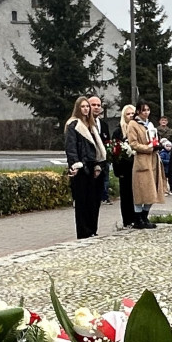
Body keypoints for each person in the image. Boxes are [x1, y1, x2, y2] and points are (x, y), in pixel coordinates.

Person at [63, 96, 108, 239]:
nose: (86, 109)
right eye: (83, 106)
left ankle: (92, 229)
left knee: (93, 200)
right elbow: (71, 147)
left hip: (93, 164)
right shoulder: (73, 125)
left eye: (87, 106)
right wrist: (74, 164)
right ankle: (83, 231)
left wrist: (98, 165)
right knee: (82, 201)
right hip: (81, 166)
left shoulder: (91, 125)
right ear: (78, 108)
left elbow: (96, 148)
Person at [126, 100, 166, 229]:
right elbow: (133, 144)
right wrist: (148, 147)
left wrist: (158, 144)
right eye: (144, 110)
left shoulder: (149, 124)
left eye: (148, 110)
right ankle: (138, 219)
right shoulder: (133, 124)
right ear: (138, 111)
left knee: (153, 190)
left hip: (153, 159)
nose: (146, 113)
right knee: (141, 191)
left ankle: (144, 216)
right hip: (142, 160)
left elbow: (153, 138)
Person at [112, 105, 137, 228]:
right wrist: (118, 170)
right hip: (124, 168)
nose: (131, 116)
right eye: (128, 114)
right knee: (126, 194)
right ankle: (127, 220)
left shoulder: (139, 128)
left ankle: (137, 217)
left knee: (137, 193)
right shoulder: (118, 131)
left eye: (133, 113)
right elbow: (114, 152)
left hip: (137, 166)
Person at [89, 95, 111, 205]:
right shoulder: (83, 124)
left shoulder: (103, 124)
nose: (96, 107)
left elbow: (107, 141)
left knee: (104, 182)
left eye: (98, 105)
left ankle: (104, 197)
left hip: (103, 161)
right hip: (89, 162)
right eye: (93, 105)